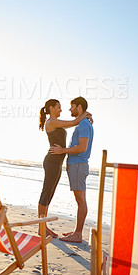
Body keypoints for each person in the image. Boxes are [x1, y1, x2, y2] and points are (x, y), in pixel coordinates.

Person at [38, 98, 92, 238]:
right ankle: (41, 227)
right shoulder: (51, 122)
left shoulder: (57, 123)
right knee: (46, 192)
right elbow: (74, 122)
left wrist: (86, 115)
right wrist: (86, 114)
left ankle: (43, 225)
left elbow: (75, 122)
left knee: (50, 193)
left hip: (57, 163)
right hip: (52, 161)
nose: (61, 110)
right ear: (51, 108)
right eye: (58, 107)